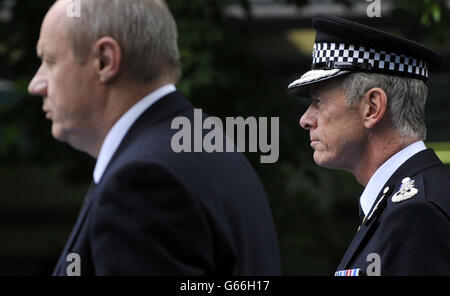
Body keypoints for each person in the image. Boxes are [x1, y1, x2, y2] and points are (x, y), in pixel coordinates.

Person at [28, 0, 281, 276]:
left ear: (105, 60)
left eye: (49, 61)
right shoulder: (207, 147)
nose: (36, 85)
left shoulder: (141, 181)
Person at [288, 14, 450, 276]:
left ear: (372, 107)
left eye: (319, 101)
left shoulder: (415, 214)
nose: (305, 119)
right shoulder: (401, 205)